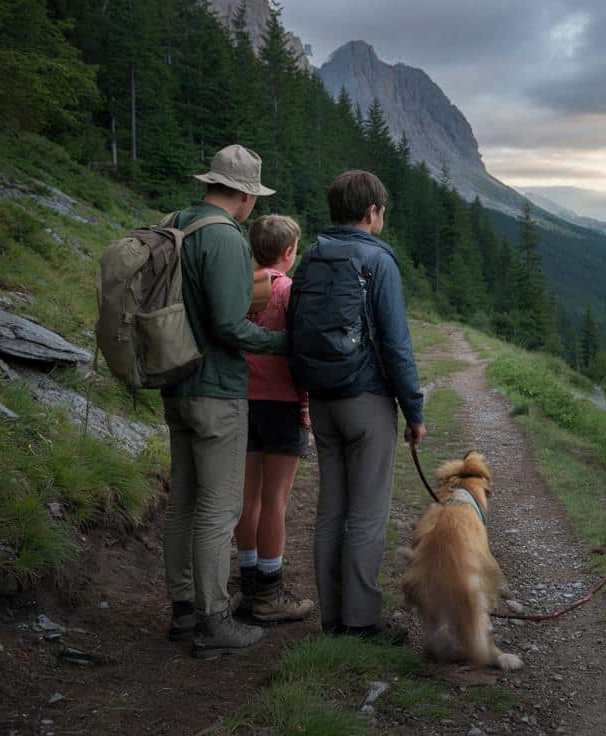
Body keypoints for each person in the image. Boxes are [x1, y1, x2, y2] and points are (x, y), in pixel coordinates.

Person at [163, 144, 286, 659]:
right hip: (216, 390)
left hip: (175, 382)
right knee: (219, 506)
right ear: (244, 195)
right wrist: (284, 343)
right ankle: (215, 620)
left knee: (184, 502)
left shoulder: (176, 223)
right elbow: (229, 326)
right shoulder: (226, 239)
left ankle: (184, 608)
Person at [297, 170, 425, 643]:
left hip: (324, 401)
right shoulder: (378, 261)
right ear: (372, 212)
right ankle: (361, 622)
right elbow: (396, 344)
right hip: (367, 401)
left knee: (331, 509)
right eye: (382, 209)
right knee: (368, 513)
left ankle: (332, 618)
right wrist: (414, 411)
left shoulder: (311, 256)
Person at [234, 214, 315, 624]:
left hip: (240, 403)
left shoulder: (241, 287)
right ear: (289, 252)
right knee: (275, 502)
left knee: (247, 500)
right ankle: (270, 593)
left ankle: (247, 587)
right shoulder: (287, 291)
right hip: (281, 405)